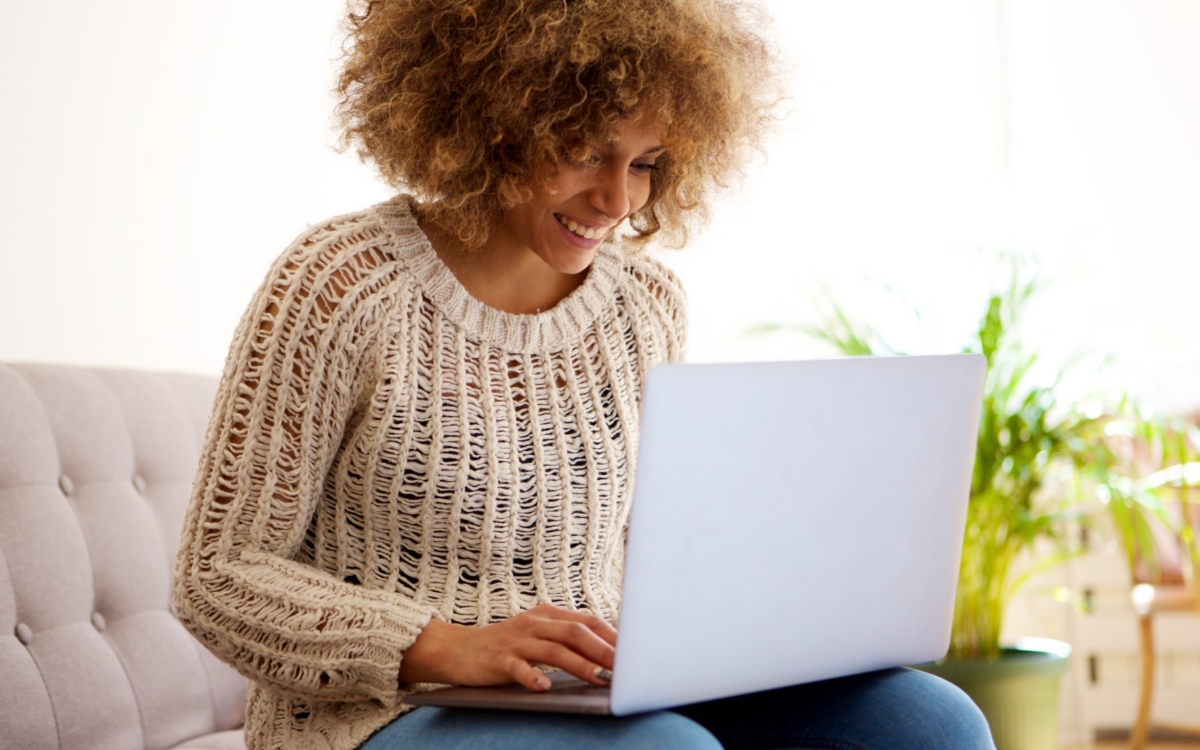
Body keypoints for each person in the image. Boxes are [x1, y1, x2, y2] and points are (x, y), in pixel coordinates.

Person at [173, 1, 996, 749]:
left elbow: (649, 548)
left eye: (646, 162)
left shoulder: (647, 304)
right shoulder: (341, 282)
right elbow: (215, 575)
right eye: (585, 150)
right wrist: (447, 644)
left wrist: (739, 628)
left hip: (592, 694)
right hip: (383, 712)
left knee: (931, 723)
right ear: (493, 121)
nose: (616, 199)